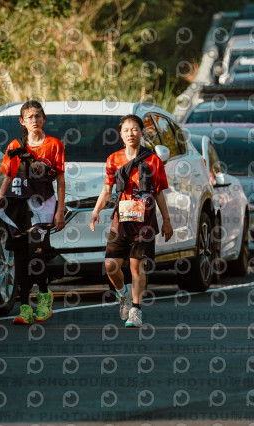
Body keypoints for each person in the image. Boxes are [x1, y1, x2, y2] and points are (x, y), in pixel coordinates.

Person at [89, 114, 173, 328]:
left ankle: (136, 310)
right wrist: (96, 211)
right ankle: (123, 295)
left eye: (134, 129)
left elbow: (159, 192)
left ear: (141, 132)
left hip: (144, 222)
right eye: (126, 130)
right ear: (120, 134)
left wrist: (167, 221)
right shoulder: (113, 159)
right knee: (110, 265)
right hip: (121, 220)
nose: (130, 134)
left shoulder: (153, 160)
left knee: (136, 266)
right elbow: (107, 189)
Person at [0, 99, 66, 325]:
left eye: (38, 116)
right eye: (30, 117)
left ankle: (44, 297)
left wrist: (60, 211)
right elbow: (7, 177)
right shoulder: (14, 146)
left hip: (43, 207)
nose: (34, 120)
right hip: (18, 207)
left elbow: (60, 180)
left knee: (37, 254)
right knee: (21, 257)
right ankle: (24, 307)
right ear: (22, 121)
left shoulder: (54, 145)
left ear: (44, 119)